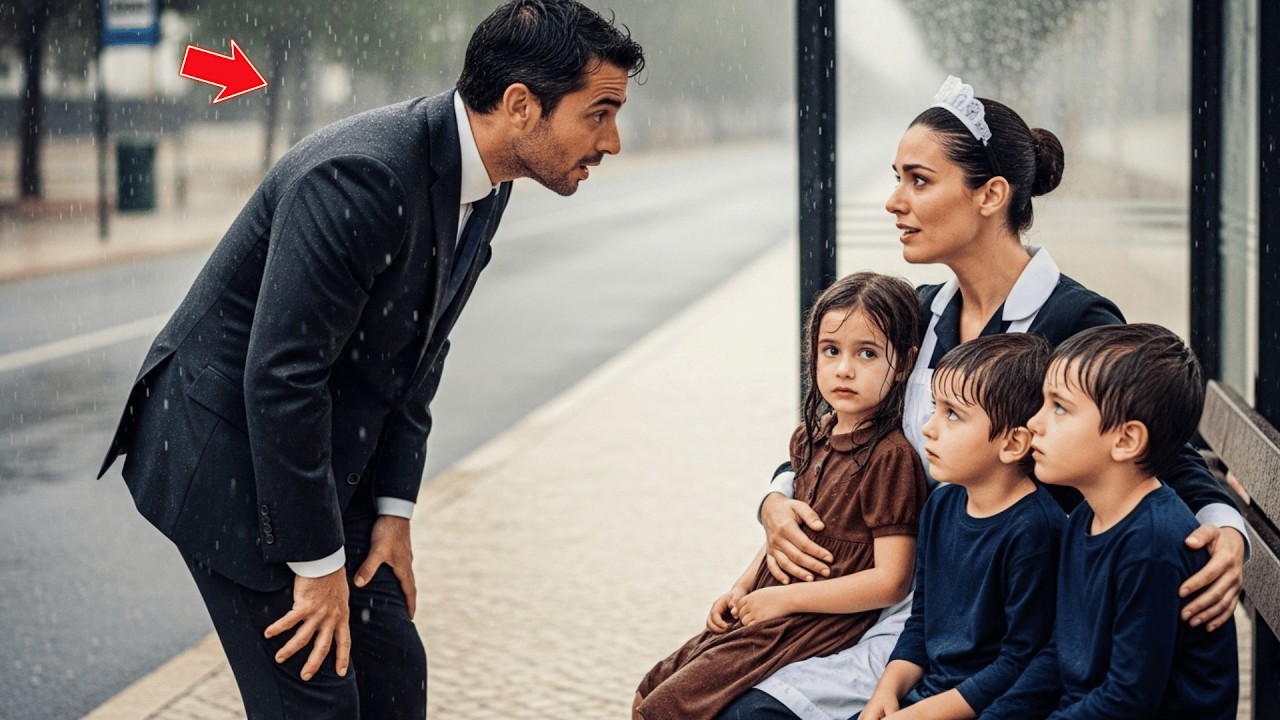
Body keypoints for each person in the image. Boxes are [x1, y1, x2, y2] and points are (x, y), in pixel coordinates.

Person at [95, 2, 643, 718]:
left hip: (316, 456)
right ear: (520, 106)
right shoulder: (363, 176)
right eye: (599, 113)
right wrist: (318, 567)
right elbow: (283, 378)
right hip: (226, 455)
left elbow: (418, 355)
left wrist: (393, 511)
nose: (614, 141)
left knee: (392, 677)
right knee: (317, 699)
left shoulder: (489, 180)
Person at [718, 76, 1247, 720]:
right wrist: (776, 497)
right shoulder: (916, 314)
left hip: (1003, 634)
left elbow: (1161, 448)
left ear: (991, 195)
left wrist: (1225, 532)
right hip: (902, 609)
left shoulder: (1071, 322)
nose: (893, 202)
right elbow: (842, 426)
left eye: (918, 180)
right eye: (896, 178)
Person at [633, 272, 929, 720]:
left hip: (815, 621)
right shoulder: (811, 437)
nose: (844, 369)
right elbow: (782, 536)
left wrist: (784, 600)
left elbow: (892, 580)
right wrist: (743, 584)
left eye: (867, 353)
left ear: (903, 364)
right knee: (652, 687)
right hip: (770, 605)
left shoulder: (890, 458)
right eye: (831, 351)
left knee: (671, 707)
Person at [983, 324, 1238, 718]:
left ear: (1125, 441)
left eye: (1059, 407)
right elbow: (1060, 653)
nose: (1034, 422)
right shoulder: (1085, 516)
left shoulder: (1152, 548)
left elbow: (1128, 701)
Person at [860, 333, 1065, 720]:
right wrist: (885, 692)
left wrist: (918, 715)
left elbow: (1019, 661)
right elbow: (921, 622)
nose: (928, 429)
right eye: (935, 408)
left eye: (952, 414)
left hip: (983, 708)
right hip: (925, 694)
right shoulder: (941, 503)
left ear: (1012, 443)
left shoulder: (1035, 531)